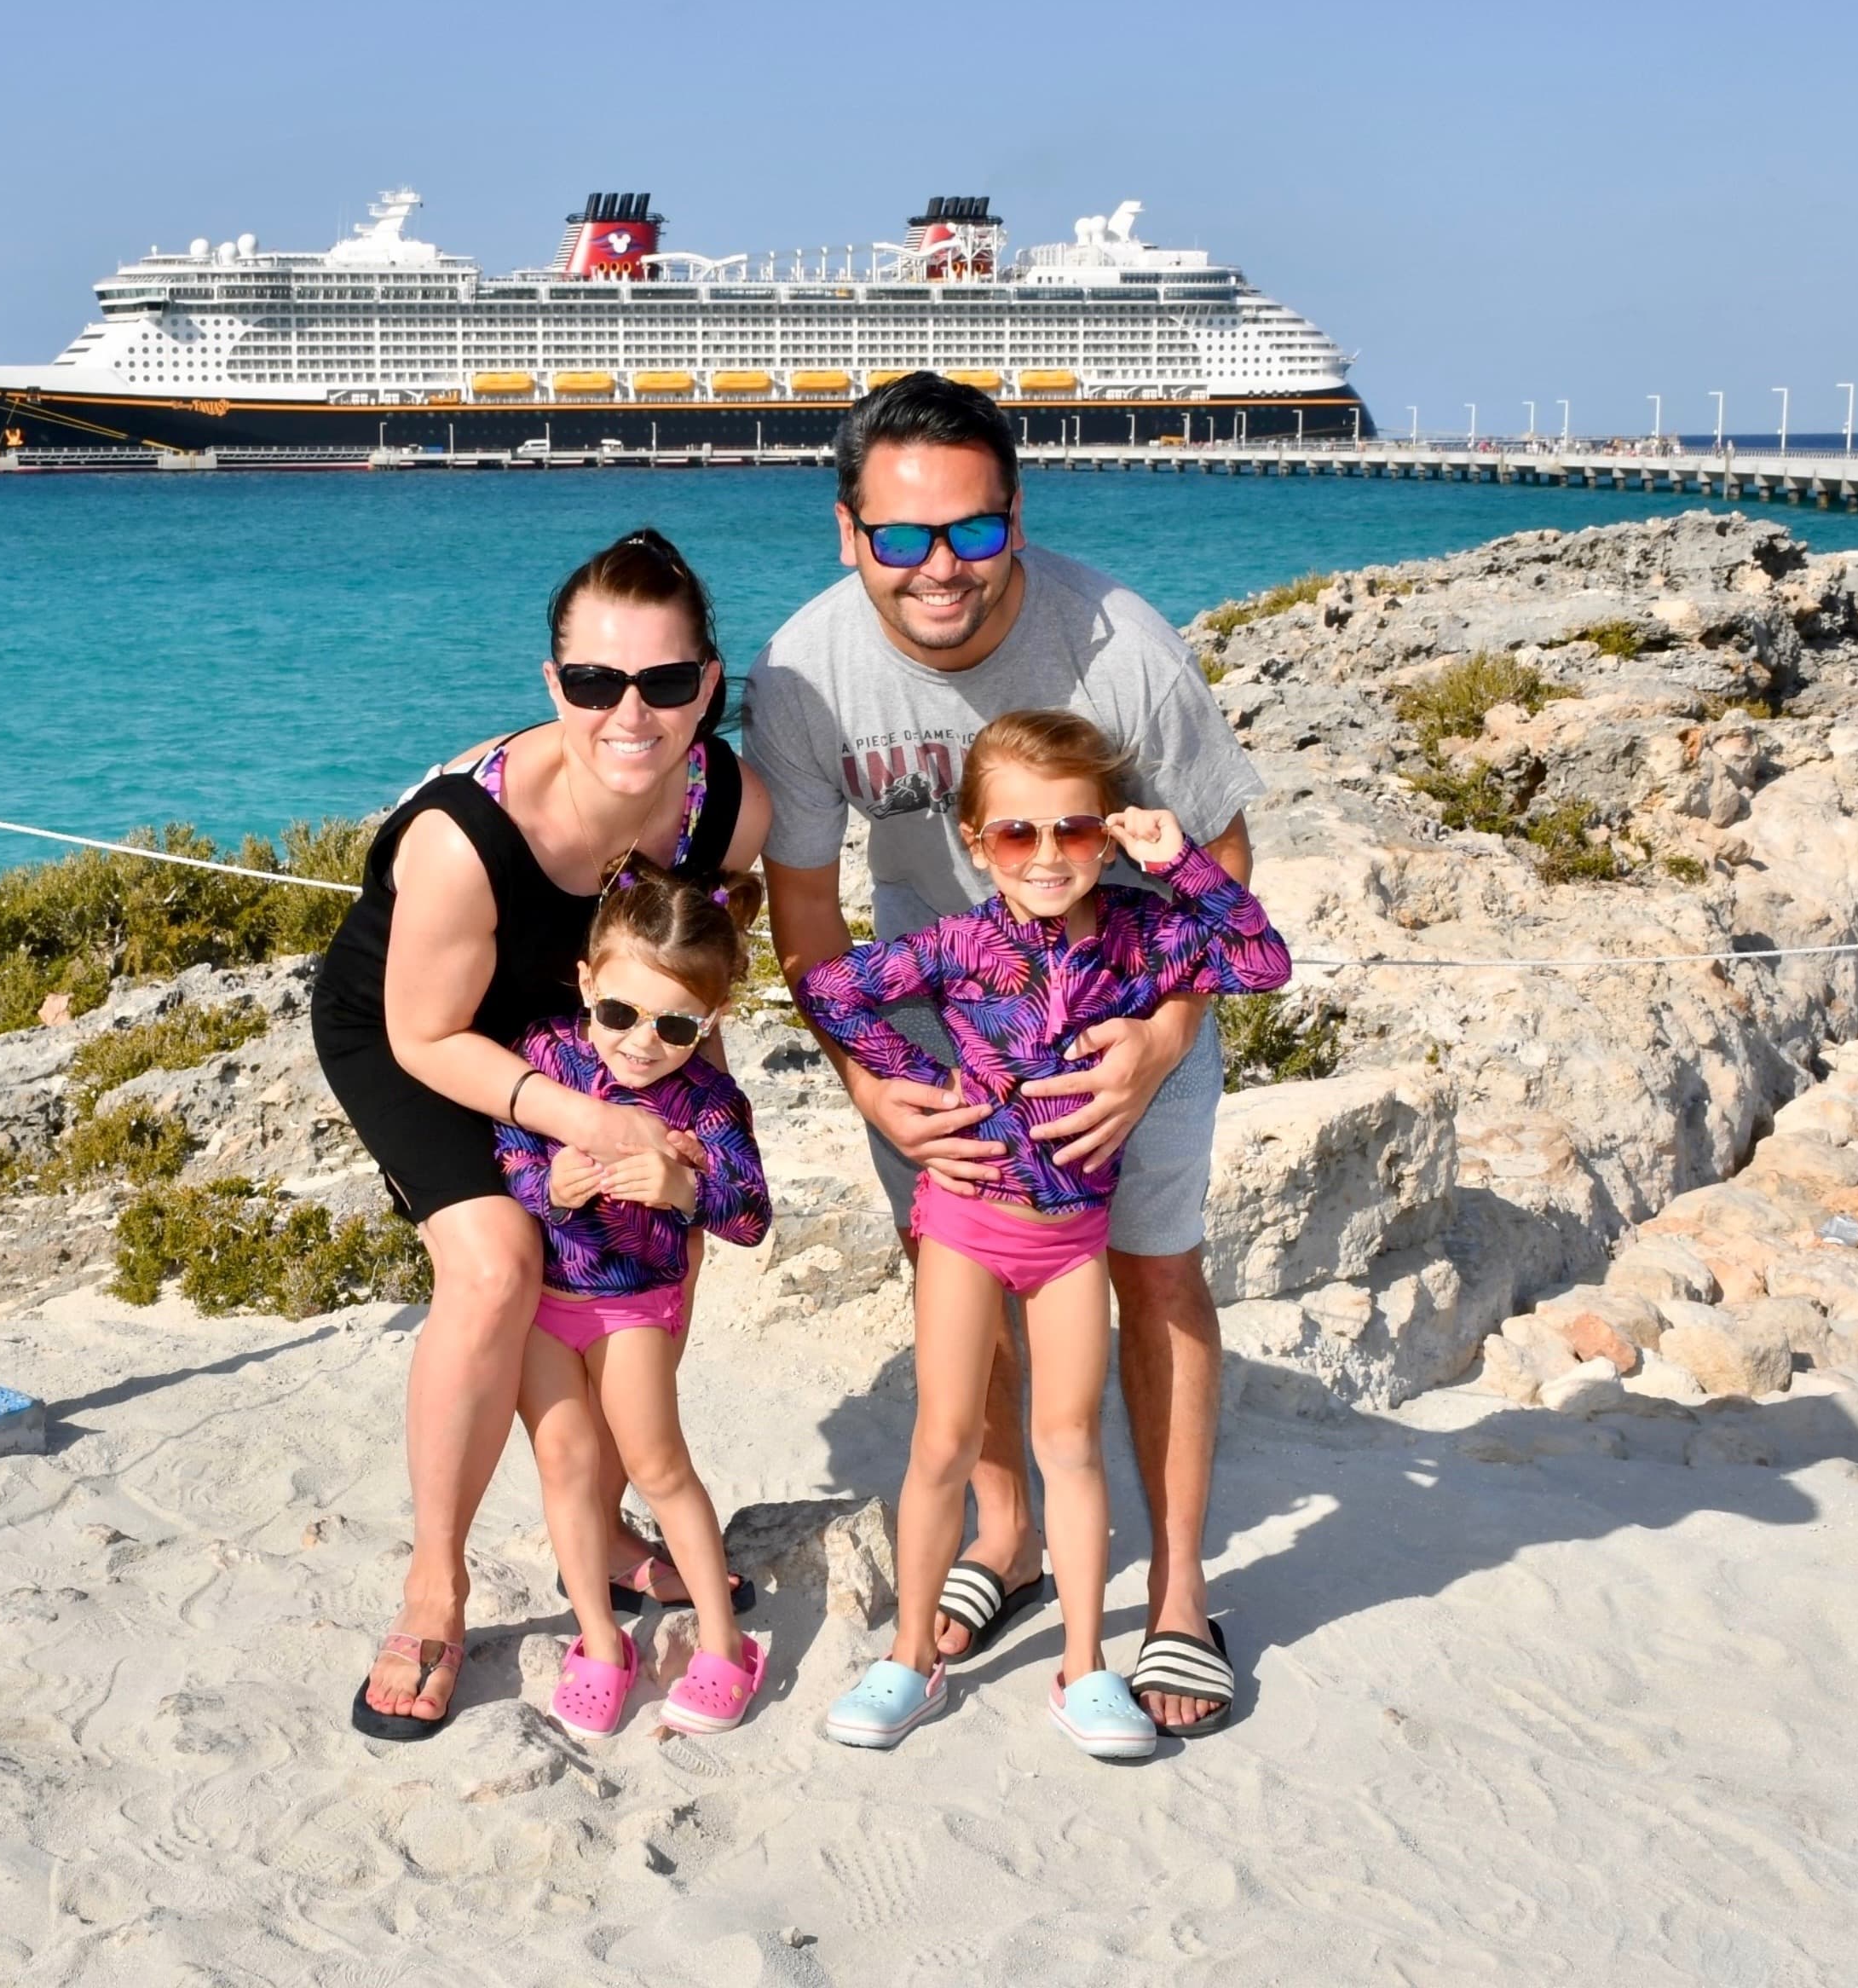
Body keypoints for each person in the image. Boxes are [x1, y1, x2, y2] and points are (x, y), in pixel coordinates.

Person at [742, 373, 1267, 1733]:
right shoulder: (804, 672)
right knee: (953, 1272)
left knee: (1157, 1271)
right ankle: (1007, 1532)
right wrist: (870, 1077)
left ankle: (1177, 1597)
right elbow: (805, 903)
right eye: (903, 535)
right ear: (849, 532)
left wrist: (1159, 1042)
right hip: (938, 1018)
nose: (941, 567)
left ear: (1016, 519)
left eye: (973, 531)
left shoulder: (1121, 647)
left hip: (1137, 995)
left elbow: (1221, 855)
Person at [311, 529, 770, 1739]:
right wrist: (590, 1120)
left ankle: (604, 1521)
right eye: (596, 681)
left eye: (663, 681)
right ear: (553, 681)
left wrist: (694, 1142)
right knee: (498, 1267)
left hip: (601, 1028)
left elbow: (691, 981)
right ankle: (435, 1585)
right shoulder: (462, 835)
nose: (630, 713)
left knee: (655, 1245)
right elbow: (423, 1034)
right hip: (425, 1034)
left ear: (708, 685)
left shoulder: (726, 806)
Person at [799, 712, 1290, 1754]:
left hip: (1072, 1237)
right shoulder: (958, 942)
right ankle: (909, 1660)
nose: (1049, 855)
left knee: (1070, 1443)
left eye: (1075, 829)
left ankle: (1084, 1668)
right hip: (963, 1225)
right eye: (1019, 833)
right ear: (977, 843)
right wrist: (919, 1088)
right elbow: (832, 991)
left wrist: (1182, 862)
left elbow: (1260, 960)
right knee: (942, 1441)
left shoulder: (1147, 933)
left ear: (1107, 833)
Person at [499, 858, 774, 1739]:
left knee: (657, 1466)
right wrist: (550, 1187)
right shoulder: (545, 1056)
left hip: (634, 1309)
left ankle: (725, 1644)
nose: (642, 1043)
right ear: (587, 983)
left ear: (713, 1018)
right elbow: (508, 1156)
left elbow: (751, 1217)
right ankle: (599, 1639)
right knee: (567, 1466)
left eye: (677, 1024)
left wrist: (685, 1192)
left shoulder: (710, 1100)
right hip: (541, 1303)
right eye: (619, 1013)